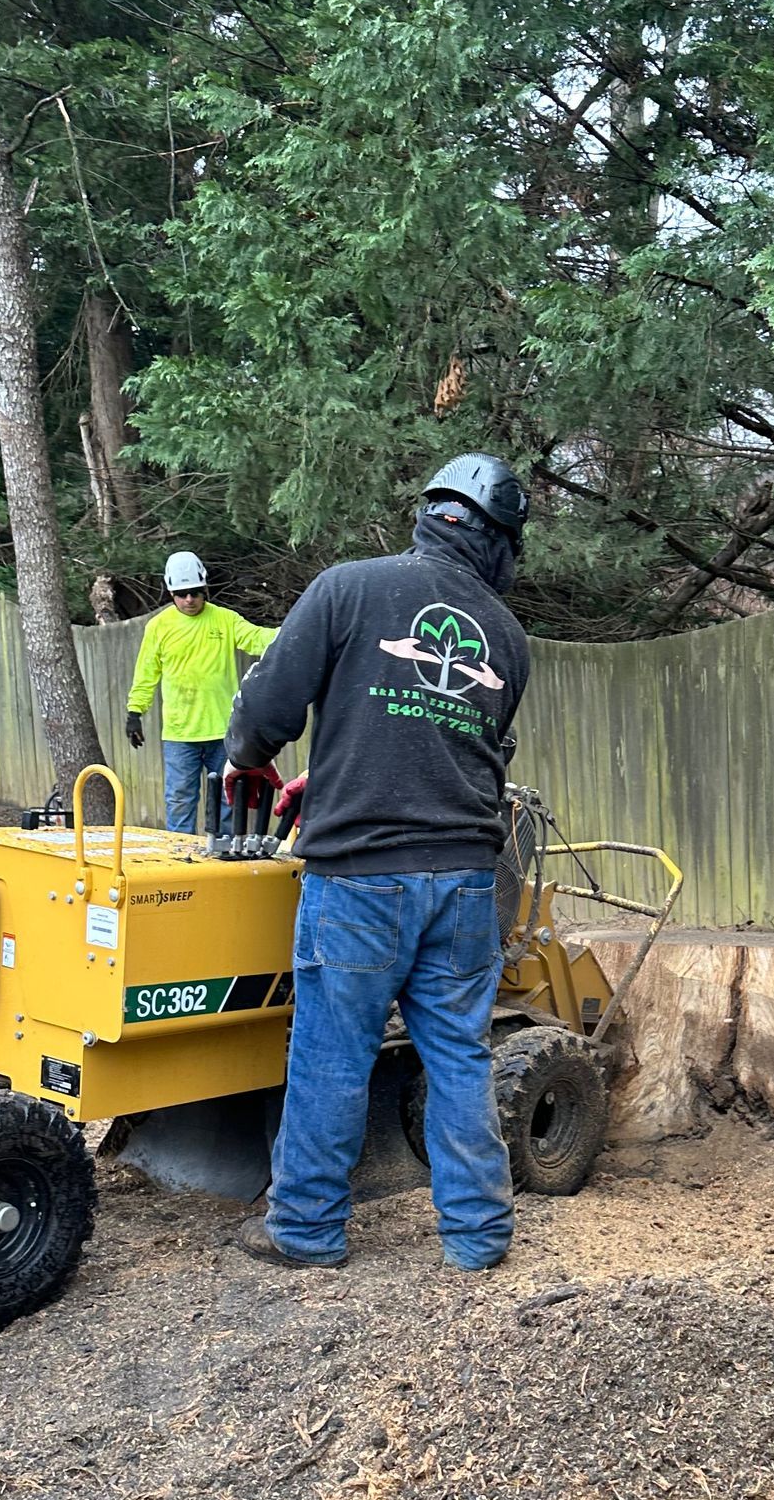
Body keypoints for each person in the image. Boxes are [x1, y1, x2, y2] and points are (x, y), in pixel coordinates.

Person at [222, 453, 532, 1273]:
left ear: (433, 515)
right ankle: (478, 1237)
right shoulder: (506, 637)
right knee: (460, 1054)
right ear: (499, 542)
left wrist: (247, 752)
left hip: (359, 879)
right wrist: (329, 774)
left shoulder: (348, 588)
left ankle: (308, 1230)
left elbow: (266, 711)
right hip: (465, 881)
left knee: (332, 1052)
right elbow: (453, 748)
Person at [125, 552, 277, 834]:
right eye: (182, 594)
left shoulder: (225, 619)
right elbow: (146, 673)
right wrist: (135, 712)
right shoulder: (159, 627)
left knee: (228, 798)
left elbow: (256, 638)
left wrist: (292, 632)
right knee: (180, 801)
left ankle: (225, 857)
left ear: (204, 589)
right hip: (180, 734)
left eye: (195, 593)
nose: (189, 600)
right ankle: (180, 860)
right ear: (171, 591)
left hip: (223, 731)